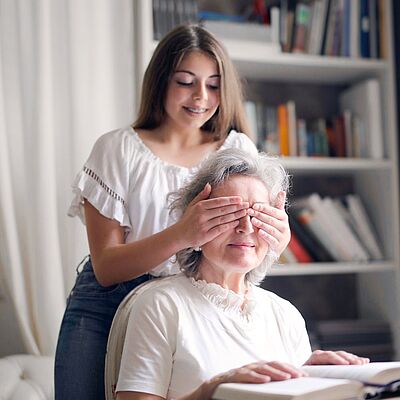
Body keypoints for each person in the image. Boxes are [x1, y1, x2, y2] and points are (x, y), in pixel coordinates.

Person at [54, 25, 292, 399]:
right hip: (107, 302)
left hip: (196, 301)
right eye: (186, 81)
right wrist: (184, 234)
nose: (201, 97)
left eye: (214, 85)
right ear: (161, 81)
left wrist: (279, 237)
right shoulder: (117, 149)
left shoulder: (238, 149)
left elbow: (250, 248)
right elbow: (106, 268)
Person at [115, 149, 370, 400]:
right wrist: (213, 390)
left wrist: (313, 377)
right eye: (230, 213)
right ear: (195, 222)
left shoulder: (285, 315)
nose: (246, 227)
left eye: (259, 215)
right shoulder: (161, 306)